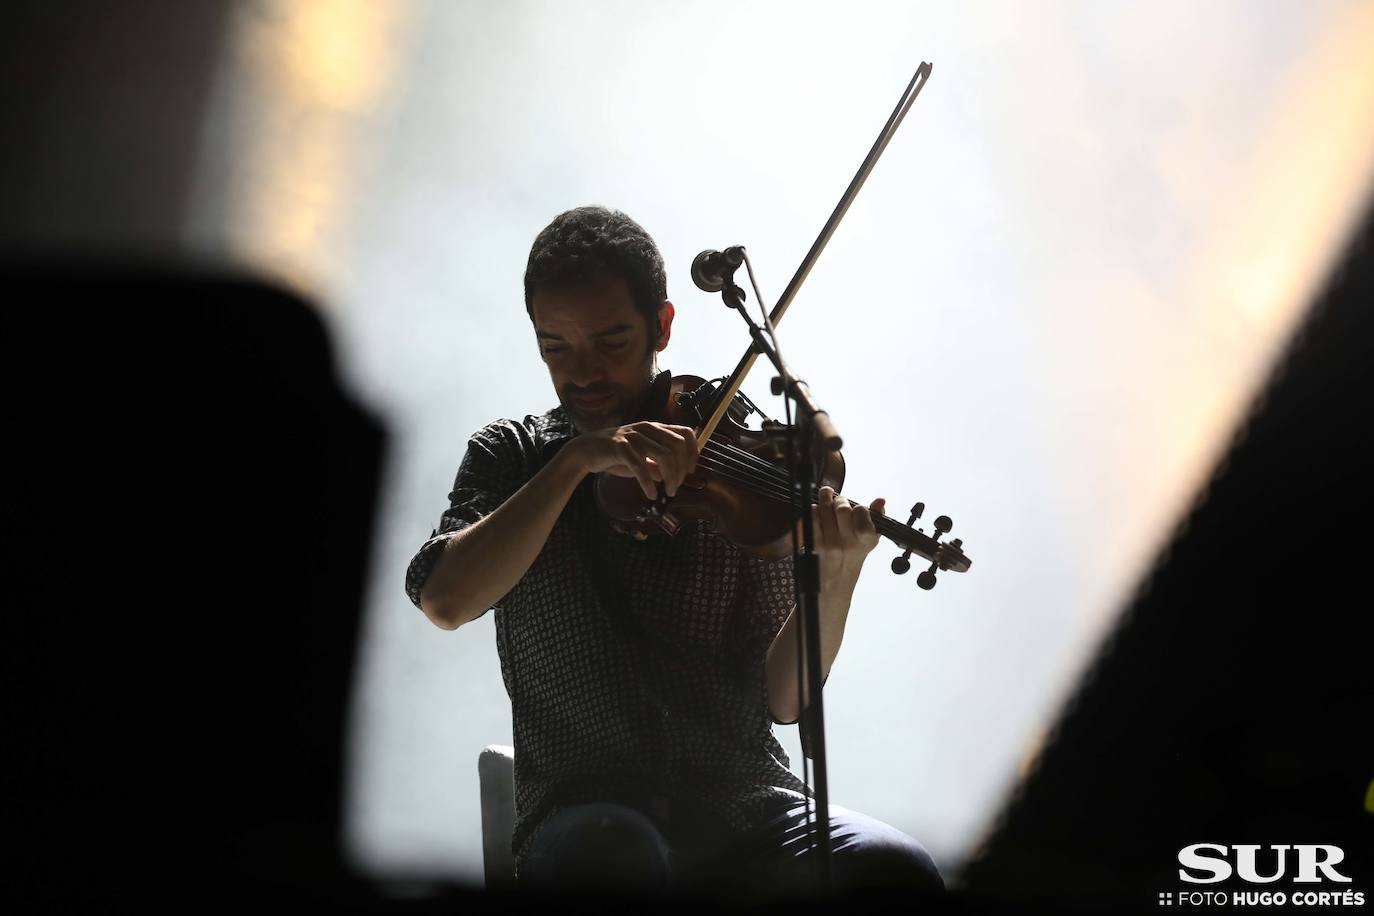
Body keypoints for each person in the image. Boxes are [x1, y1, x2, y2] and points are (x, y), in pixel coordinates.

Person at [404, 206, 944, 900]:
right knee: (620, 861)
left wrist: (835, 579)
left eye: (610, 341)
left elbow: (783, 699)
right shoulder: (512, 455)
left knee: (893, 868)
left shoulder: (728, 451)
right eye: (556, 347)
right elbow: (445, 599)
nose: (583, 372)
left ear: (662, 326)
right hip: (587, 818)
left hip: (744, 805)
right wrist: (575, 463)